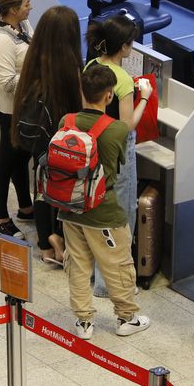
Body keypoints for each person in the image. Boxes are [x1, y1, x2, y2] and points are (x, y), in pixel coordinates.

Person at [62, 65, 151, 340]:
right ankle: (126, 317)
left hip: (70, 206)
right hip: (103, 211)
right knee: (118, 263)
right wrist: (144, 98)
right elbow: (116, 166)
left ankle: (83, 322)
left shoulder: (66, 121)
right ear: (109, 96)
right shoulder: (116, 130)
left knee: (78, 264)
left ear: (82, 91)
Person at [10, 6, 83, 266]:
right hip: (61, 141)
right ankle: (59, 238)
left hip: (37, 140)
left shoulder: (34, 59)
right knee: (63, 190)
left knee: (40, 187)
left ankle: (45, 245)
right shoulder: (71, 68)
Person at [85, 15, 146, 245]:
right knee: (123, 205)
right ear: (124, 46)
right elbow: (127, 124)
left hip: (94, 141)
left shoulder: (92, 65)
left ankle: (96, 266)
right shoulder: (122, 79)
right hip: (118, 149)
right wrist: (145, 99)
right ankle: (117, 262)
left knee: (97, 203)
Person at [0, 0, 34, 239]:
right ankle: (1, 218)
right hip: (9, 111)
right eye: (26, 4)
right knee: (7, 161)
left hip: (24, 108)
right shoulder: (0, 39)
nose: (31, 7)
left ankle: (26, 207)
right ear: (13, 9)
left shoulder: (22, 26)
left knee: (21, 157)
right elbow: (7, 82)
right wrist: (36, 76)